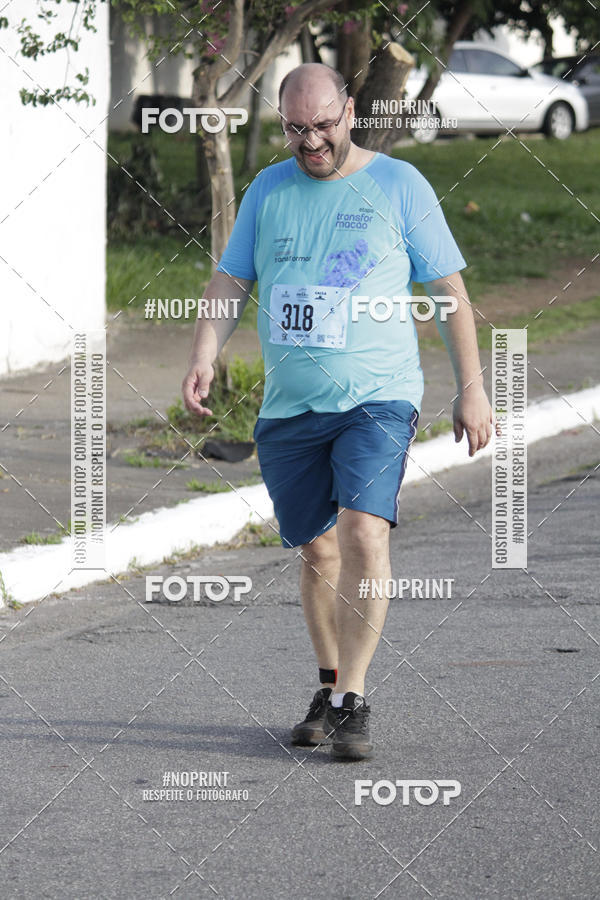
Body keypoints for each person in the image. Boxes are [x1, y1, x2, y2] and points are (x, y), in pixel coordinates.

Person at [182, 62, 493, 761]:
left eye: (323, 125)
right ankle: (328, 686)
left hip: (377, 399)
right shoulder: (269, 190)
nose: (311, 141)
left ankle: (353, 698)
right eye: (296, 129)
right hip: (291, 408)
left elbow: (448, 290)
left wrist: (472, 386)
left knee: (361, 531)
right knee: (317, 547)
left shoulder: (398, 186)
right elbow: (232, 278)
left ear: (349, 111)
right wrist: (204, 351)